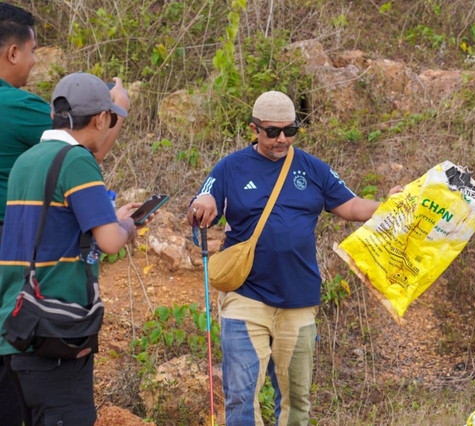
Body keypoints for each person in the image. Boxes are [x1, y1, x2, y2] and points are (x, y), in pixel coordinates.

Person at [188, 91, 402, 425]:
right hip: (246, 296)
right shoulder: (230, 167)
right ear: (254, 129)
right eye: (272, 132)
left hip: (298, 299)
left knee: (296, 401)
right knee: (242, 397)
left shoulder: (312, 168)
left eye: (290, 130)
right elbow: (203, 200)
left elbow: (350, 205)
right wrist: (202, 205)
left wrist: (389, 206)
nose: (282, 139)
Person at [0, 72, 145, 425]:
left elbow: (50, 226)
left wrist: (107, 218)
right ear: (100, 118)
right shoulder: (78, 160)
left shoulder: (27, 160)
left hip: (18, 327)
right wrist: (128, 225)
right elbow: (109, 242)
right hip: (56, 331)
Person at [0, 4, 50, 424]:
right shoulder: (18, 106)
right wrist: (117, 109)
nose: (35, 62)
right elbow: (84, 148)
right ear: (12, 52)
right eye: (33, 51)